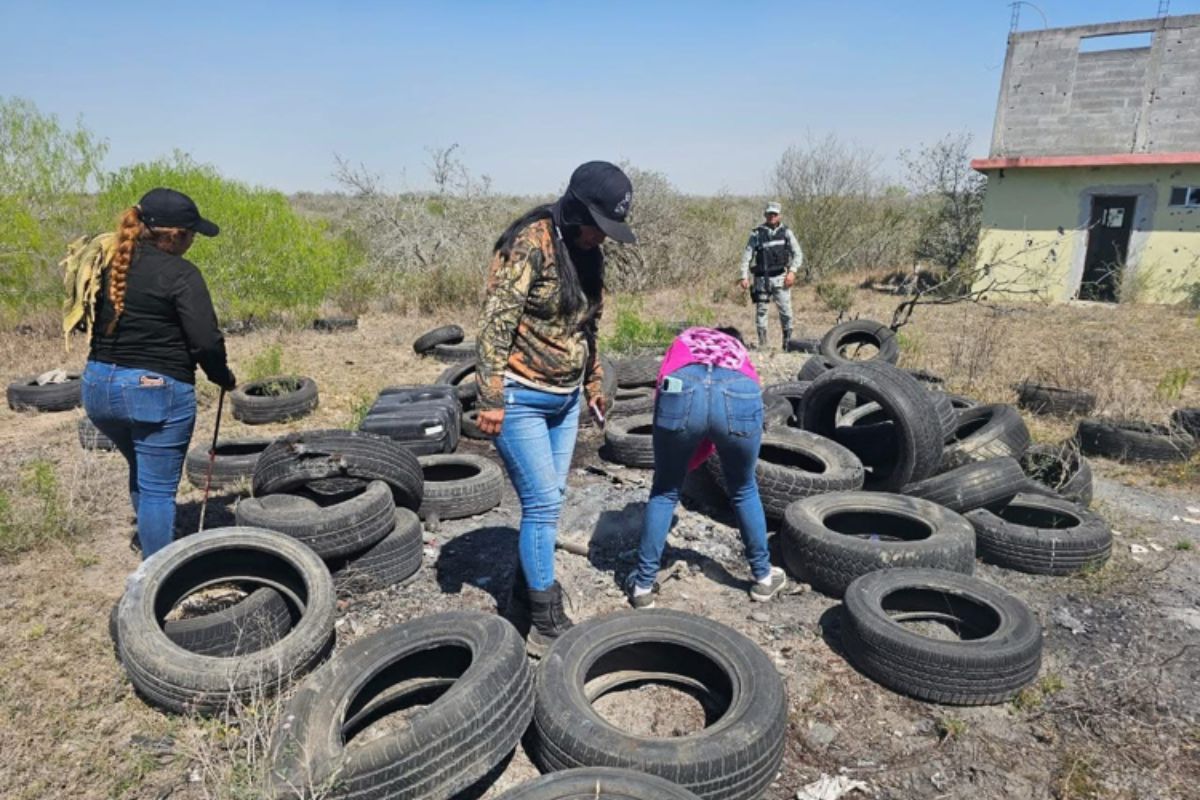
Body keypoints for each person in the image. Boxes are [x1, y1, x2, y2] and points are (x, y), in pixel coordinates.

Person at [475, 161, 636, 656]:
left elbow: (587, 326)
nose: (601, 238)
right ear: (575, 210)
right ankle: (546, 622)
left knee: (551, 498)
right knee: (543, 504)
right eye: (597, 227)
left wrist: (592, 381)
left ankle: (522, 602)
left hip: (565, 400)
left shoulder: (589, 254)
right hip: (521, 395)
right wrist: (491, 396)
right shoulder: (531, 243)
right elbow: (496, 323)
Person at [81, 188, 236, 559]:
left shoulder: (109, 263)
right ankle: (159, 578)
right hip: (153, 391)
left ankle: (154, 541)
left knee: (141, 466)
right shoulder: (181, 273)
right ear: (173, 234)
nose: (193, 239)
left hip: (98, 387)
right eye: (191, 233)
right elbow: (205, 341)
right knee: (157, 490)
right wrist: (222, 377)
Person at [627, 325, 787, 608]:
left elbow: (661, 387)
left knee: (665, 490)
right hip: (740, 388)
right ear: (733, 339)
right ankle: (763, 577)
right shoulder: (737, 350)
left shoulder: (685, 338)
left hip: (682, 385)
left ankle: (642, 586)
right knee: (744, 488)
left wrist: (680, 457)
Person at [738, 202, 804, 350]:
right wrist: (744, 276)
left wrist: (792, 272)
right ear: (765, 214)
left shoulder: (786, 232)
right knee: (761, 311)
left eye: (774, 214)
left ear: (779, 215)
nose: (772, 216)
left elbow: (798, 254)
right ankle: (763, 344)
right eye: (769, 214)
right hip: (762, 279)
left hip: (781, 278)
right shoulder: (756, 233)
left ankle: (787, 345)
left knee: (786, 312)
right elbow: (747, 256)